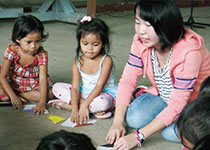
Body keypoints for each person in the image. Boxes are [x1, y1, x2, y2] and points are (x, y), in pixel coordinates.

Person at [105, 0, 210, 149]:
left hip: (194, 103)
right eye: (137, 22)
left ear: (166, 25)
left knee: (171, 133)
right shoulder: (140, 41)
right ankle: (162, 113)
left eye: (148, 25)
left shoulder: (189, 53)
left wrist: (139, 136)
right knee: (133, 118)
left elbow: (178, 104)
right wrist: (117, 122)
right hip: (163, 95)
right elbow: (128, 79)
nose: (141, 31)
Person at [48, 16, 117, 123]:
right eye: (85, 44)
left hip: (103, 94)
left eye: (95, 44)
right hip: (83, 93)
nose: (89, 48)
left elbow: (99, 86)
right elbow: (75, 87)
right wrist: (75, 109)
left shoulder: (106, 60)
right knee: (56, 87)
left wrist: (85, 104)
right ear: (79, 42)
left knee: (103, 103)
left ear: (103, 44)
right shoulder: (77, 61)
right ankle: (86, 109)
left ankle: (70, 106)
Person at [0, 15, 54, 115]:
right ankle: (10, 92)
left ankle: (17, 93)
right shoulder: (12, 51)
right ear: (17, 39)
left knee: (49, 94)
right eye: (28, 42)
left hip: (34, 83)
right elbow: (2, 76)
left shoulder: (42, 54)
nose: (33, 46)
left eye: (37, 41)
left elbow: (42, 78)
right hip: (15, 80)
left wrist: (42, 102)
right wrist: (13, 97)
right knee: (5, 90)